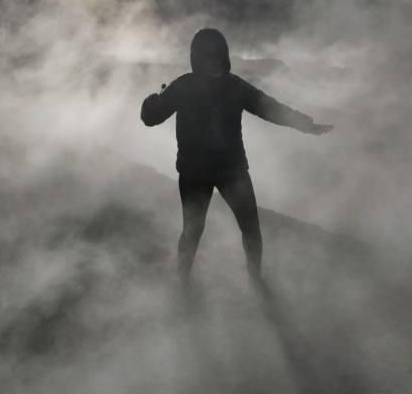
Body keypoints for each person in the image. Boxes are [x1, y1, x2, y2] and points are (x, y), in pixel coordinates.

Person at [141, 28, 333, 287]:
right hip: (196, 174)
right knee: (193, 231)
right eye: (208, 57)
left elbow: (269, 107)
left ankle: (255, 278)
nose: (215, 62)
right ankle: (183, 281)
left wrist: (304, 123)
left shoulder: (234, 87)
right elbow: (151, 119)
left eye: (219, 56)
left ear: (226, 57)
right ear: (197, 60)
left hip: (231, 170)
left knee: (251, 228)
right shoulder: (183, 87)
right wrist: (150, 105)